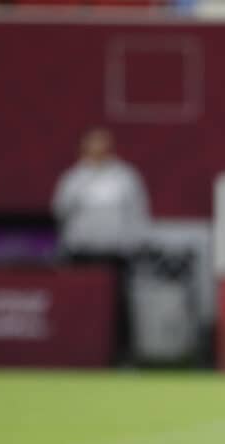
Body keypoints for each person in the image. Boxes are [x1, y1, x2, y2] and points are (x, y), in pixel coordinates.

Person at [52, 127, 150, 364]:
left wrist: (136, 244)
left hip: (116, 253)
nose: (98, 151)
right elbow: (59, 210)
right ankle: (76, 354)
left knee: (119, 307)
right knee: (78, 306)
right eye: (92, 146)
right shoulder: (73, 178)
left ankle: (123, 357)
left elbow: (138, 213)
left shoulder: (125, 177)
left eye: (102, 146)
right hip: (80, 253)